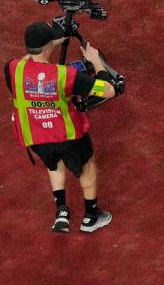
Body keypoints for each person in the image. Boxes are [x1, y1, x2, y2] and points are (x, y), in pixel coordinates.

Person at [5, 22, 116, 233]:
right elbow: (108, 90)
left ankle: (62, 212)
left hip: (36, 137)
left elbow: (29, 62)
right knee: (87, 166)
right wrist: (96, 62)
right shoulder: (65, 75)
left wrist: (48, 45)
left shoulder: (12, 68)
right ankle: (91, 218)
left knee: (54, 163)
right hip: (67, 136)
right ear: (48, 46)